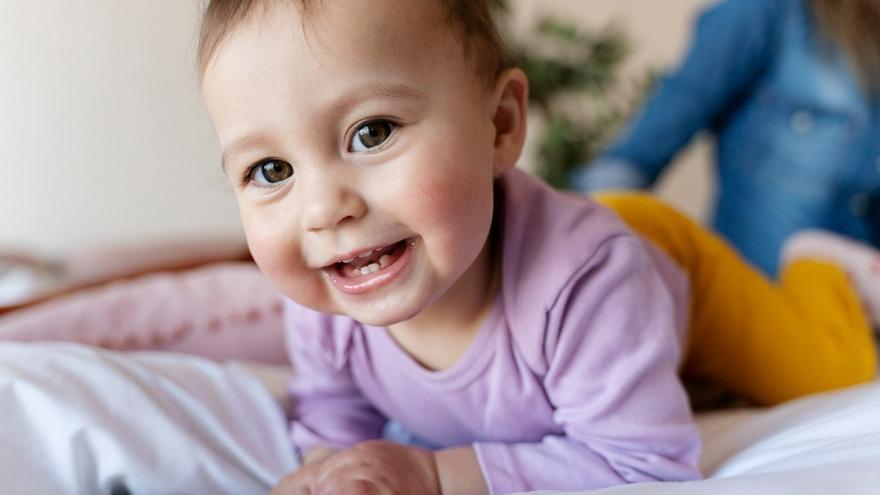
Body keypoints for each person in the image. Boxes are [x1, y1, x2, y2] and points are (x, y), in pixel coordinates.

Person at [193, 0, 878, 493]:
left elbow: (646, 462)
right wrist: (332, 470)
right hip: (595, 284)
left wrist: (438, 474)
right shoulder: (330, 287)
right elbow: (334, 414)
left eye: (371, 133)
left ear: (500, 125)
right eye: (271, 171)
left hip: (662, 258)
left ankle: (817, 267)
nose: (322, 209)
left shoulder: (589, 280)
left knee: (835, 370)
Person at [571, 0, 880, 276]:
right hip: (750, 315)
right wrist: (592, 263)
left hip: (858, 331)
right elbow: (629, 162)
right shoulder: (768, 13)